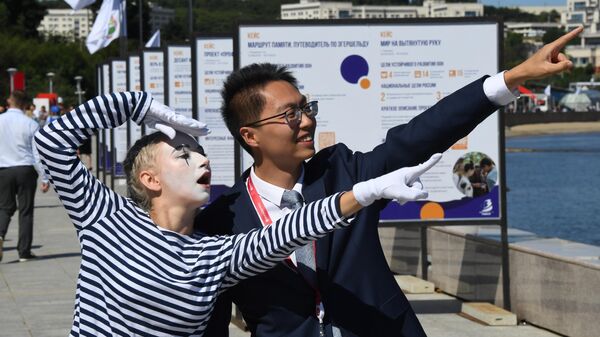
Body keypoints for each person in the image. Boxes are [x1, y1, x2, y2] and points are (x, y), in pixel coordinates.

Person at [197, 27, 584, 337]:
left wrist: (511, 78)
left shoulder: (343, 172)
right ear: (250, 135)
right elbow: (210, 318)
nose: (308, 121)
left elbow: (421, 135)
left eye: (306, 108)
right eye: (290, 115)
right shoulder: (222, 220)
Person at [34, 91, 441, 336]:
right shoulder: (107, 219)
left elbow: (283, 234)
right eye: (183, 155)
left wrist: (364, 193)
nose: (201, 160)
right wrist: (138, 106)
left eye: (201, 153)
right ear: (150, 179)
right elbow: (50, 144)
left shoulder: (213, 256)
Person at [0, 90, 49, 263]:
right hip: (25, 168)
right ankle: (24, 251)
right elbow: (37, 154)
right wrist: (44, 177)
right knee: (26, 211)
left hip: (4, 170)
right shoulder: (30, 123)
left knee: (5, 207)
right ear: (24, 104)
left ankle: (0, 234)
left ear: (10, 101)